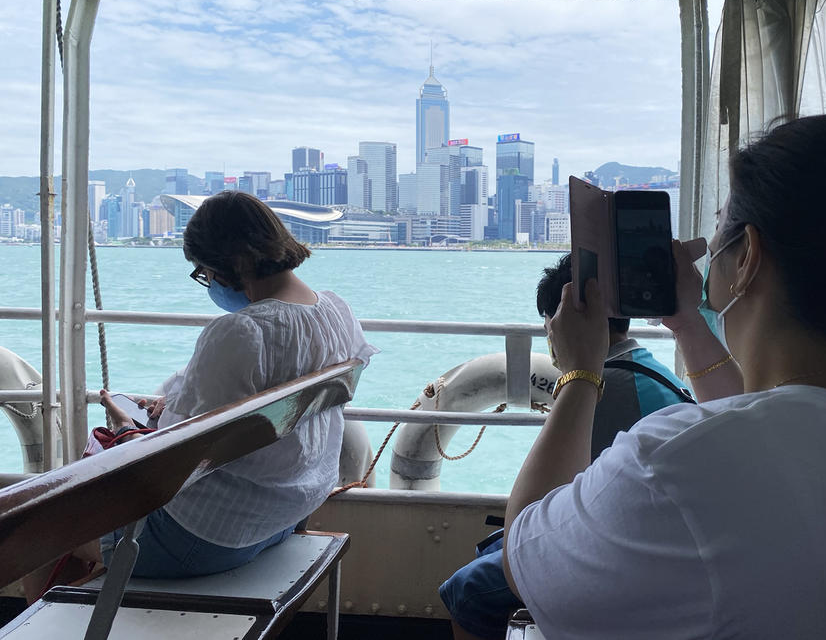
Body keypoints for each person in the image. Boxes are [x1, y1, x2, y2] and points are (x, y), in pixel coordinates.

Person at [501, 114, 826, 639]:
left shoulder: (670, 464)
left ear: (748, 258)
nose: (707, 250)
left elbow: (525, 556)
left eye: (719, 231)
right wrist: (688, 322)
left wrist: (580, 371)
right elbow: (766, 425)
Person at [99, 190, 377, 579]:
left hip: (206, 535)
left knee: (53, 535)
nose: (209, 281)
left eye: (205, 272)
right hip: (287, 514)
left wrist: (127, 433)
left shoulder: (241, 330)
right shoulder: (336, 311)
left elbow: (177, 457)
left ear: (233, 264)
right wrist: (177, 406)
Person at [440, 253, 693, 640]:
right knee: (486, 550)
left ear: (560, 325)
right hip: (656, 542)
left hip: (621, 559)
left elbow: (545, 516)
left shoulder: (600, 391)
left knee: (465, 591)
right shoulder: (654, 372)